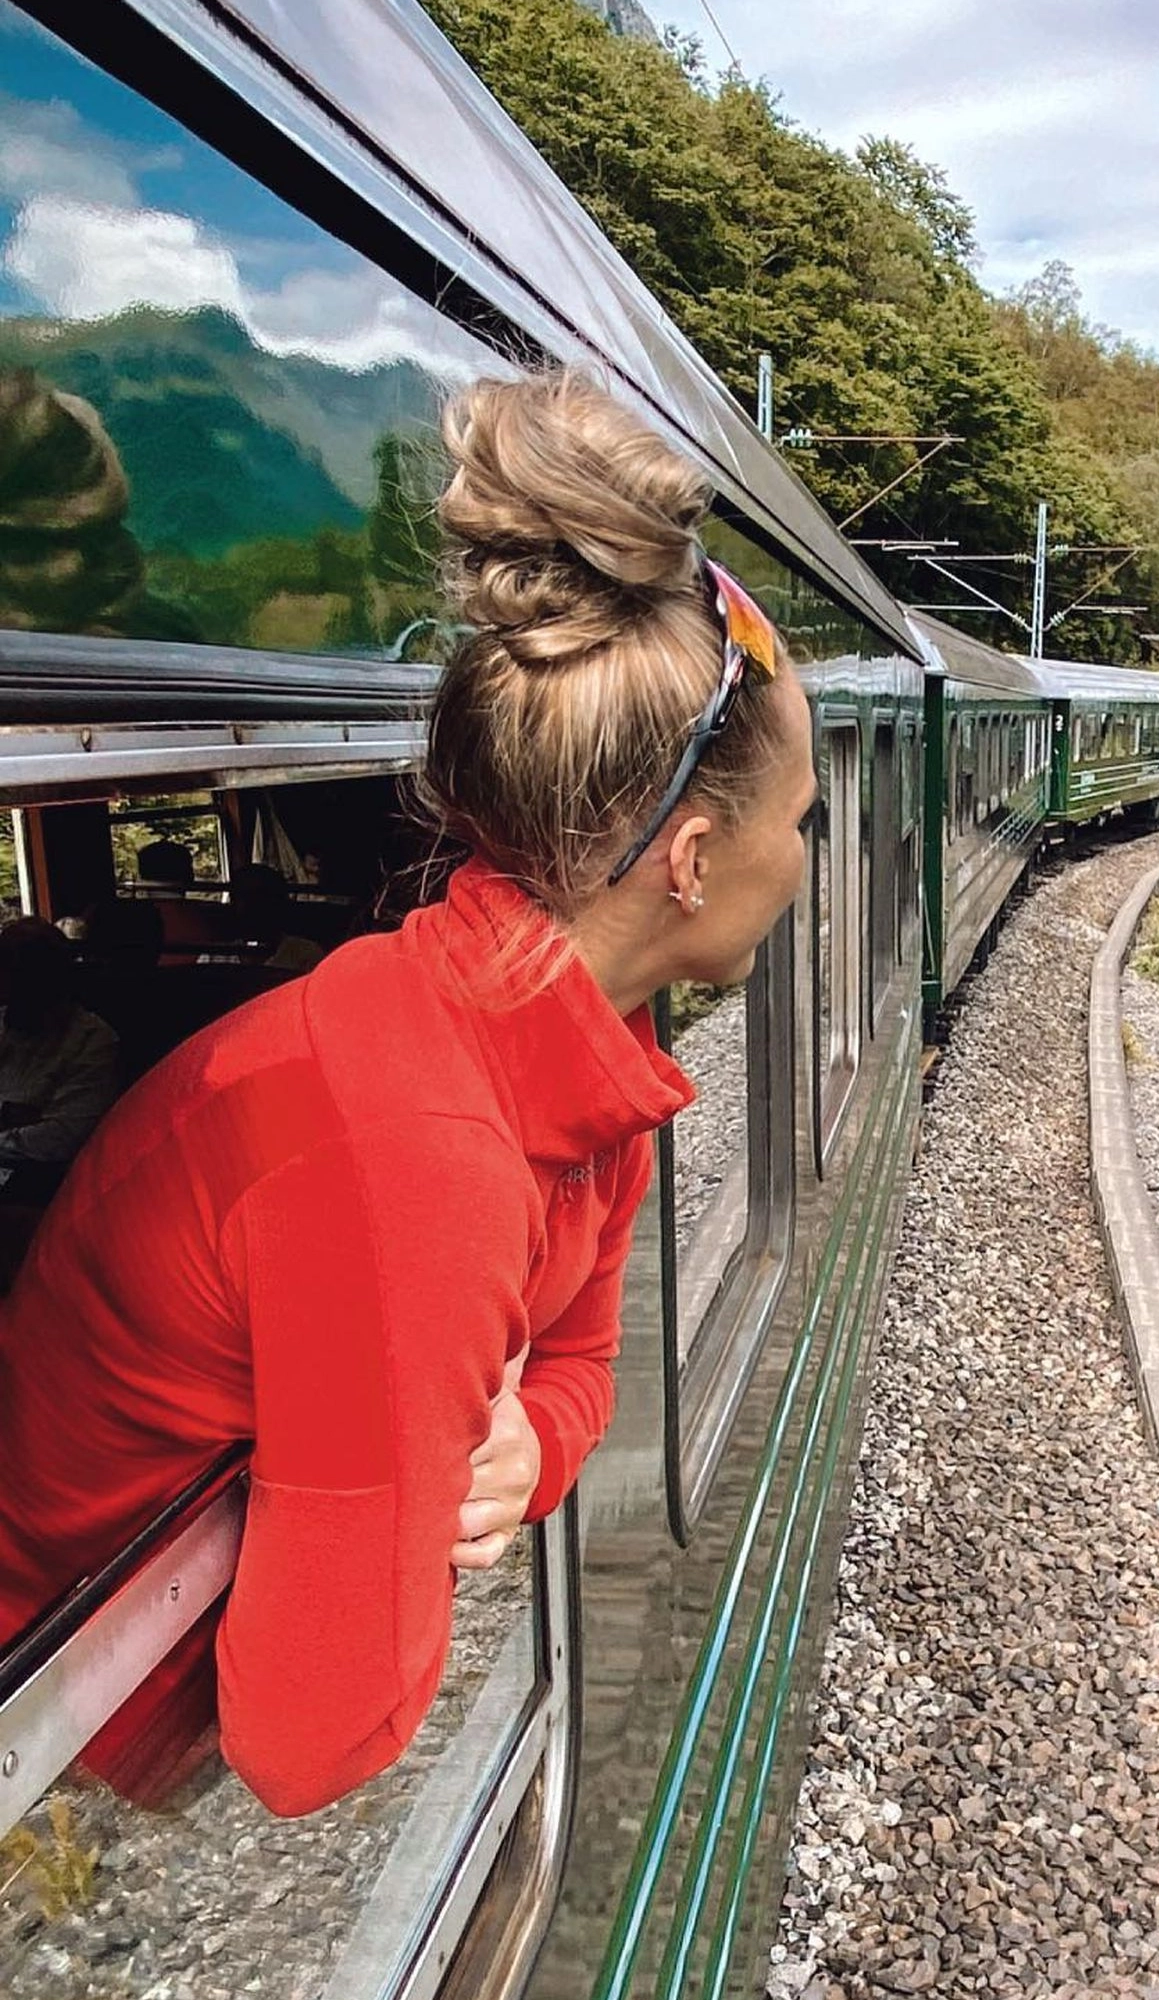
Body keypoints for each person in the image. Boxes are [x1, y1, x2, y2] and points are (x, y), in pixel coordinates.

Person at [0, 371, 819, 1816]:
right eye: (803, 822)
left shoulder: (567, 1068)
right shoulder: (424, 1152)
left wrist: (525, 1447)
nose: (806, 858)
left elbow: (573, 1367)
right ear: (692, 859)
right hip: (57, 1720)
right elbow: (311, 1745)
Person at [0, 918, 120, 1195]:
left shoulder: (91, 1040)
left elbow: (64, 1137)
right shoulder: (4, 1022)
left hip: (38, 1187)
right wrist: (18, 1116)